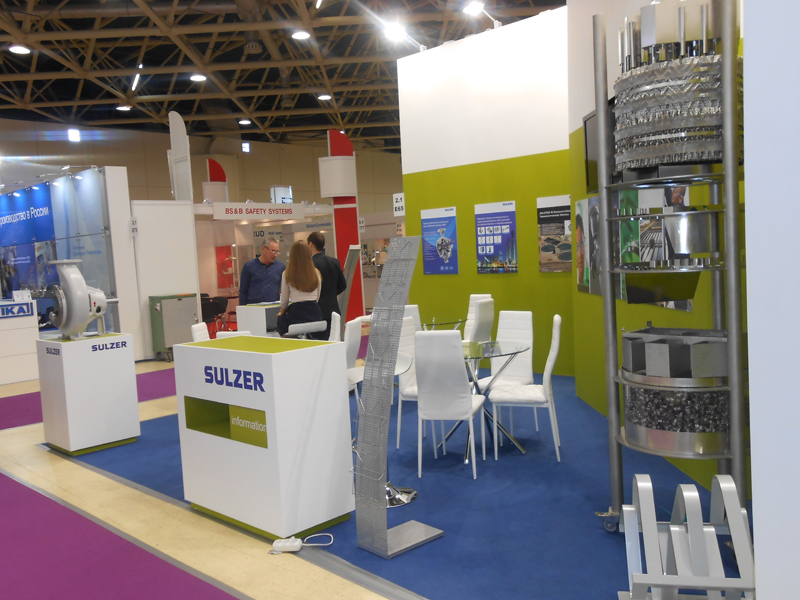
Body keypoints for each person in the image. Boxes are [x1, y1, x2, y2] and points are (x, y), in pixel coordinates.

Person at [276, 240, 323, 337]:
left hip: (296, 314)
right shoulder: (317, 273)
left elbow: (284, 301)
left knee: (281, 322)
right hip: (315, 314)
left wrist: (281, 313)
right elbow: (317, 298)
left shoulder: (287, 273)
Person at [307, 231, 347, 340]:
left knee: (318, 344)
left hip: (317, 312)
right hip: (334, 310)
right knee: (334, 341)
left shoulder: (310, 264)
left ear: (310, 244)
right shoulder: (334, 262)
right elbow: (343, 284)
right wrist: (332, 293)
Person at [239, 238, 285, 305]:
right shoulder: (249, 266)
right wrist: (242, 309)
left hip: (273, 306)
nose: (275, 255)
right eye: (273, 251)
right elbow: (243, 291)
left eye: (277, 252)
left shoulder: (280, 267)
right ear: (264, 248)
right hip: (253, 307)